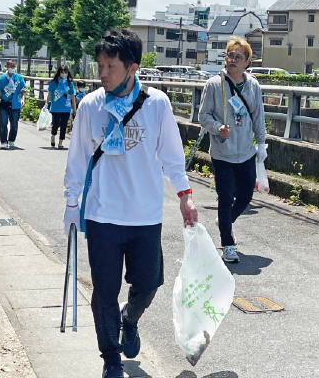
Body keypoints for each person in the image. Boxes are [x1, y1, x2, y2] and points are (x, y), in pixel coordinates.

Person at [63, 28, 198, 378]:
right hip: (102, 214)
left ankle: (130, 319)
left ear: (132, 67)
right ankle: (110, 356)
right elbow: (77, 158)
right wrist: (71, 203)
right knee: (104, 291)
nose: (102, 74)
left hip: (145, 214)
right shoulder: (91, 105)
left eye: (110, 66)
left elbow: (171, 156)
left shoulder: (157, 104)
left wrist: (185, 197)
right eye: (100, 66)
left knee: (149, 282)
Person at [198, 37, 266, 263]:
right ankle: (228, 244)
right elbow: (203, 116)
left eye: (238, 57)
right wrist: (217, 128)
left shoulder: (253, 85)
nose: (232, 60)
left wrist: (262, 143)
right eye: (230, 55)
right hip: (222, 152)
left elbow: (259, 117)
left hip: (246, 151)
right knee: (225, 197)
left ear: (247, 62)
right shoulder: (214, 85)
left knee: (246, 195)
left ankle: (225, 220)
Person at [0, 60, 26, 149]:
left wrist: (22, 100)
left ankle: (11, 139)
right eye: (10, 66)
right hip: (5, 102)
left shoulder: (19, 78)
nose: (12, 68)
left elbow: (22, 90)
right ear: (6, 66)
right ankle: (4, 141)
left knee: (14, 123)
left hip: (16, 103)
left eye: (13, 66)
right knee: (3, 123)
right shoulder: (2, 78)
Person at [46, 66, 77, 149]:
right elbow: (49, 94)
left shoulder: (69, 83)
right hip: (55, 107)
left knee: (64, 125)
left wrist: (74, 108)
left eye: (65, 72)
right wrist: (46, 104)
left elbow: (73, 96)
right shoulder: (54, 83)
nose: (64, 74)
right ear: (59, 73)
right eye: (62, 72)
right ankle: (53, 136)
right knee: (56, 124)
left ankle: (60, 142)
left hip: (66, 107)